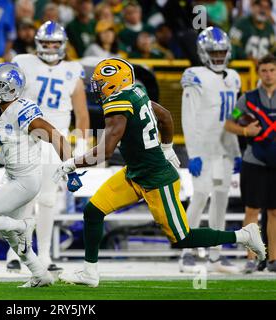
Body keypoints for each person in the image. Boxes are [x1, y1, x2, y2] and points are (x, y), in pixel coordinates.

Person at [54, 57, 266, 287]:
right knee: (93, 211)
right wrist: (166, 147)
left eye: (101, 83)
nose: (97, 89)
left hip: (157, 179)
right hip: (135, 173)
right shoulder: (135, 91)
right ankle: (89, 273)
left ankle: (244, 236)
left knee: (183, 238)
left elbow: (105, 151)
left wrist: (72, 163)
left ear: (115, 83)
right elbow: (164, 116)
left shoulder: (118, 104)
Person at [0, 62, 78, 287]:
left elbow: (55, 136)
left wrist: (70, 169)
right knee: (11, 235)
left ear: (11, 89)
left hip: (26, 180)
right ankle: (40, 274)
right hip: (11, 176)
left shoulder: (22, 109)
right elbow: (1, 145)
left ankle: (24, 225)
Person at [6, 21, 90, 274]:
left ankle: (43, 253)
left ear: (63, 45)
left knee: (48, 199)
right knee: (21, 197)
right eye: (46, 43)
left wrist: (83, 145)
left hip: (57, 140)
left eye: (55, 43)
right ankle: (16, 253)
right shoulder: (23, 62)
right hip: (25, 137)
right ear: (38, 43)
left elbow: (81, 112)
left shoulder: (73, 70)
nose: (51, 47)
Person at [179, 27, 242, 274]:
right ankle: (186, 251)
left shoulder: (234, 77)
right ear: (203, 52)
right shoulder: (194, 75)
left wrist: (236, 149)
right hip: (202, 147)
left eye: (222, 51)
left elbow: (233, 115)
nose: (218, 56)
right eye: (213, 51)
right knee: (201, 196)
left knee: (220, 200)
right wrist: (192, 152)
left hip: (224, 148)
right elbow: (189, 116)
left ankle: (215, 255)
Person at [225, 53, 276, 273]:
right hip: (254, 160)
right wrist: (245, 130)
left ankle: (273, 259)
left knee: (274, 212)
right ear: (258, 73)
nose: (268, 74)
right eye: (264, 70)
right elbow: (230, 122)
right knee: (252, 210)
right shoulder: (247, 98)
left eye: (272, 70)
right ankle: (251, 258)